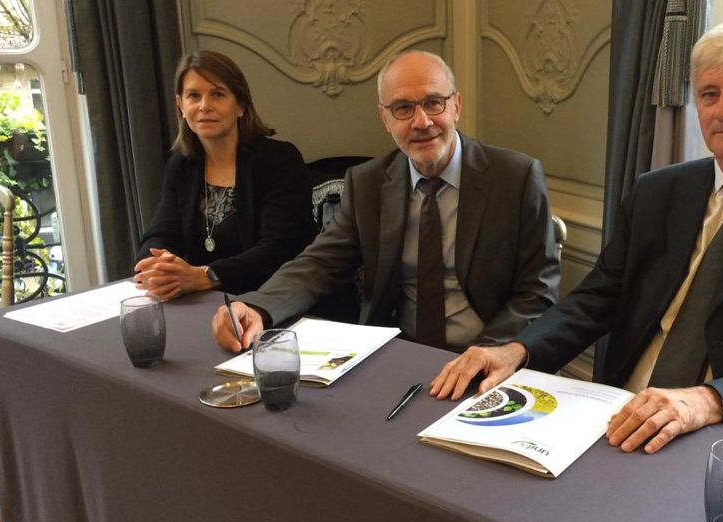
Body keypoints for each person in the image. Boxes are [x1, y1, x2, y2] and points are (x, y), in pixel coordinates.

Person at [431, 17, 723, 454]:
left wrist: (707, 400)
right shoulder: (659, 191)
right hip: (621, 411)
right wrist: (517, 350)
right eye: (709, 94)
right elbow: (597, 298)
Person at [211, 51, 560, 352]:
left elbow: (537, 292)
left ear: (456, 105)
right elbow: (319, 263)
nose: (421, 121)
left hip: (488, 353)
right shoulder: (368, 183)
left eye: (433, 102)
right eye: (403, 108)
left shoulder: (515, 177)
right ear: (385, 118)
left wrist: (488, 352)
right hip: (398, 353)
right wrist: (257, 307)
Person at [134, 50, 317, 300]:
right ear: (181, 106)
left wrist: (205, 276)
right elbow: (161, 233)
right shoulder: (182, 165)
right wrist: (157, 267)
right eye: (194, 96)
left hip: (275, 300)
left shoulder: (279, 160)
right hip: (209, 303)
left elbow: (280, 250)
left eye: (217, 94)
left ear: (240, 105)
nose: (204, 106)